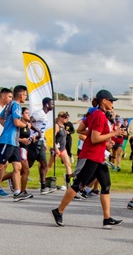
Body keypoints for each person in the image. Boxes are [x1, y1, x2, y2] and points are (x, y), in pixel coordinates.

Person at [51, 90, 124, 228]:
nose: (112, 103)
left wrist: (106, 140)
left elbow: (81, 130)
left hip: (98, 155)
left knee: (106, 185)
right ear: (104, 101)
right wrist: (113, 133)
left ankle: (107, 218)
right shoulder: (99, 116)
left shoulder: (95, 114)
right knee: (79, 184)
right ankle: (58, 211)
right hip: (91, 155)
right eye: (111, 100)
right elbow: (95, 138)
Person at [0, 84, 33, 201]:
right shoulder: (16, 105)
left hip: (14, 141)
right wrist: (26, 125)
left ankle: (17, 192)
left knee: (17, 166)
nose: (26, 97)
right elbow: (17, 122)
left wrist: (6, 126)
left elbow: (0, 118)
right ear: (21, 95)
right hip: (9, 140)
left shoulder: (9, 105)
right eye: (25, 95)